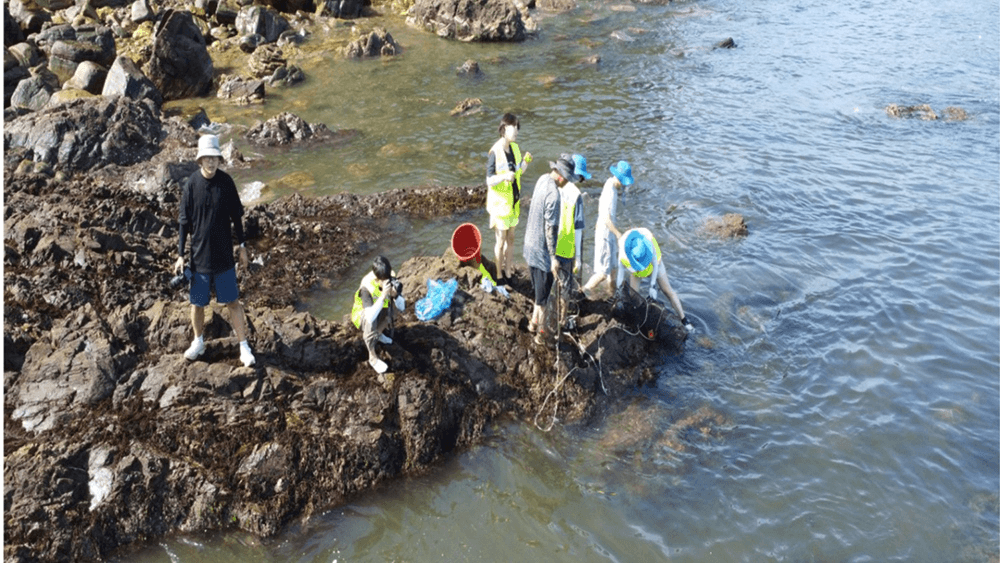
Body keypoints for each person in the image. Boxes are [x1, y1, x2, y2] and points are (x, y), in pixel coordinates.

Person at [174, 134, 256, 367]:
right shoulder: (191, 185)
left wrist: (242, 247)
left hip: (224, 259)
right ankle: (198, 341)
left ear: (219, 159)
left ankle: (243, 346)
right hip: (199, 259)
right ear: (200, 160)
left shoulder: (226, 183)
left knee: (233, 303)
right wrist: (180, 255)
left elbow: (237, 218)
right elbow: (183, 222)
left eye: (215, 158)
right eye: (207, 158)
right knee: (197, 304)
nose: (211, 162)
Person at [523, 154, 581, 345]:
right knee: (545, 298)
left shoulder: (541, 179)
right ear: (562, 177)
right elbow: (550, 230)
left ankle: (532, 324)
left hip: (528, 246)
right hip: (541, 254)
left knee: (539, 294)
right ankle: (542, 335)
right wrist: (553, 259)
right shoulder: (554, 196)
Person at [617, 227, 694, 331]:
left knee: (667, 291)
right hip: (636, 270)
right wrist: (619, 288)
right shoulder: (623, 253)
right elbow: (620, 272)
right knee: (633, 295)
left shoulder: (648, 241)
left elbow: (654, 261)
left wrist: (652, 285)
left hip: (654, 265)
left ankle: (684, 320)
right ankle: (639, 321)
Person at [486, 113, 532, 284]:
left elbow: (518, 171)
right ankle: (498, 275)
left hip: (513, 204)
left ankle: (508, 270)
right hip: (500, 206)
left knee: (511, 238)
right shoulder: (495, 152)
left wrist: (525, 163)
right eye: (514, 128)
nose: (516, 131)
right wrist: (504, 176)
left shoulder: (515, 149)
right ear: (504, 128)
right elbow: (489, 180)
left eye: (517, 128)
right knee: (500, 241)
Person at [583, 159, 632, 297]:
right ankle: (582, 292)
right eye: (624, 182)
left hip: (607, 232)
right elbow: (605, 217)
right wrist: (618, 234)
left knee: (613, 269)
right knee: (603, 273)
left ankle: (611, 296)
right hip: (605, 233)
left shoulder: (610, 185)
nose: (624, 185)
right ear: (621, 179)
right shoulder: (610, 191)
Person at [351, 255, 406, 374]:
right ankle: (372, 357)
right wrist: (383, 296)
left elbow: (402, 307)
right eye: (384, 280)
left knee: (392, 312)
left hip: (380, 310)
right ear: (377, 279)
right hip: (363, 316)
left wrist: (395, 295)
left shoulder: (390, 275)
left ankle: (379, 334)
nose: (387, 282)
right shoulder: (367, 286)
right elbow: (370, 317)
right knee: (371, 322)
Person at [554, 153, 590, 321]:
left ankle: (551, 312)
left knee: (555, 280)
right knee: (567, 284)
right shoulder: (576, 195)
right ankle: (562, 319)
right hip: (567, 246)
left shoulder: (557, 184)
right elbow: (578, 230)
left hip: (552, 242)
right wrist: (578, 258)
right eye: (581, 177)